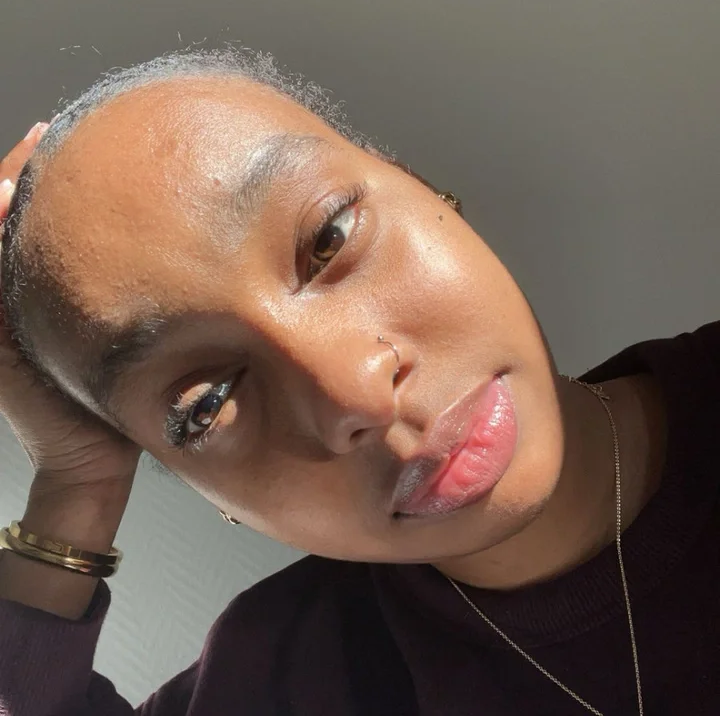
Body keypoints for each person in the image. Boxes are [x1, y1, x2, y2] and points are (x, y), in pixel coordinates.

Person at [0, 48, 717, 716]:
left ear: (418, 183)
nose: (358, 394)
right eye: (208, 404)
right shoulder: (280, 676)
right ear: (211, 497)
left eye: (329, 238)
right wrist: (76, 485)